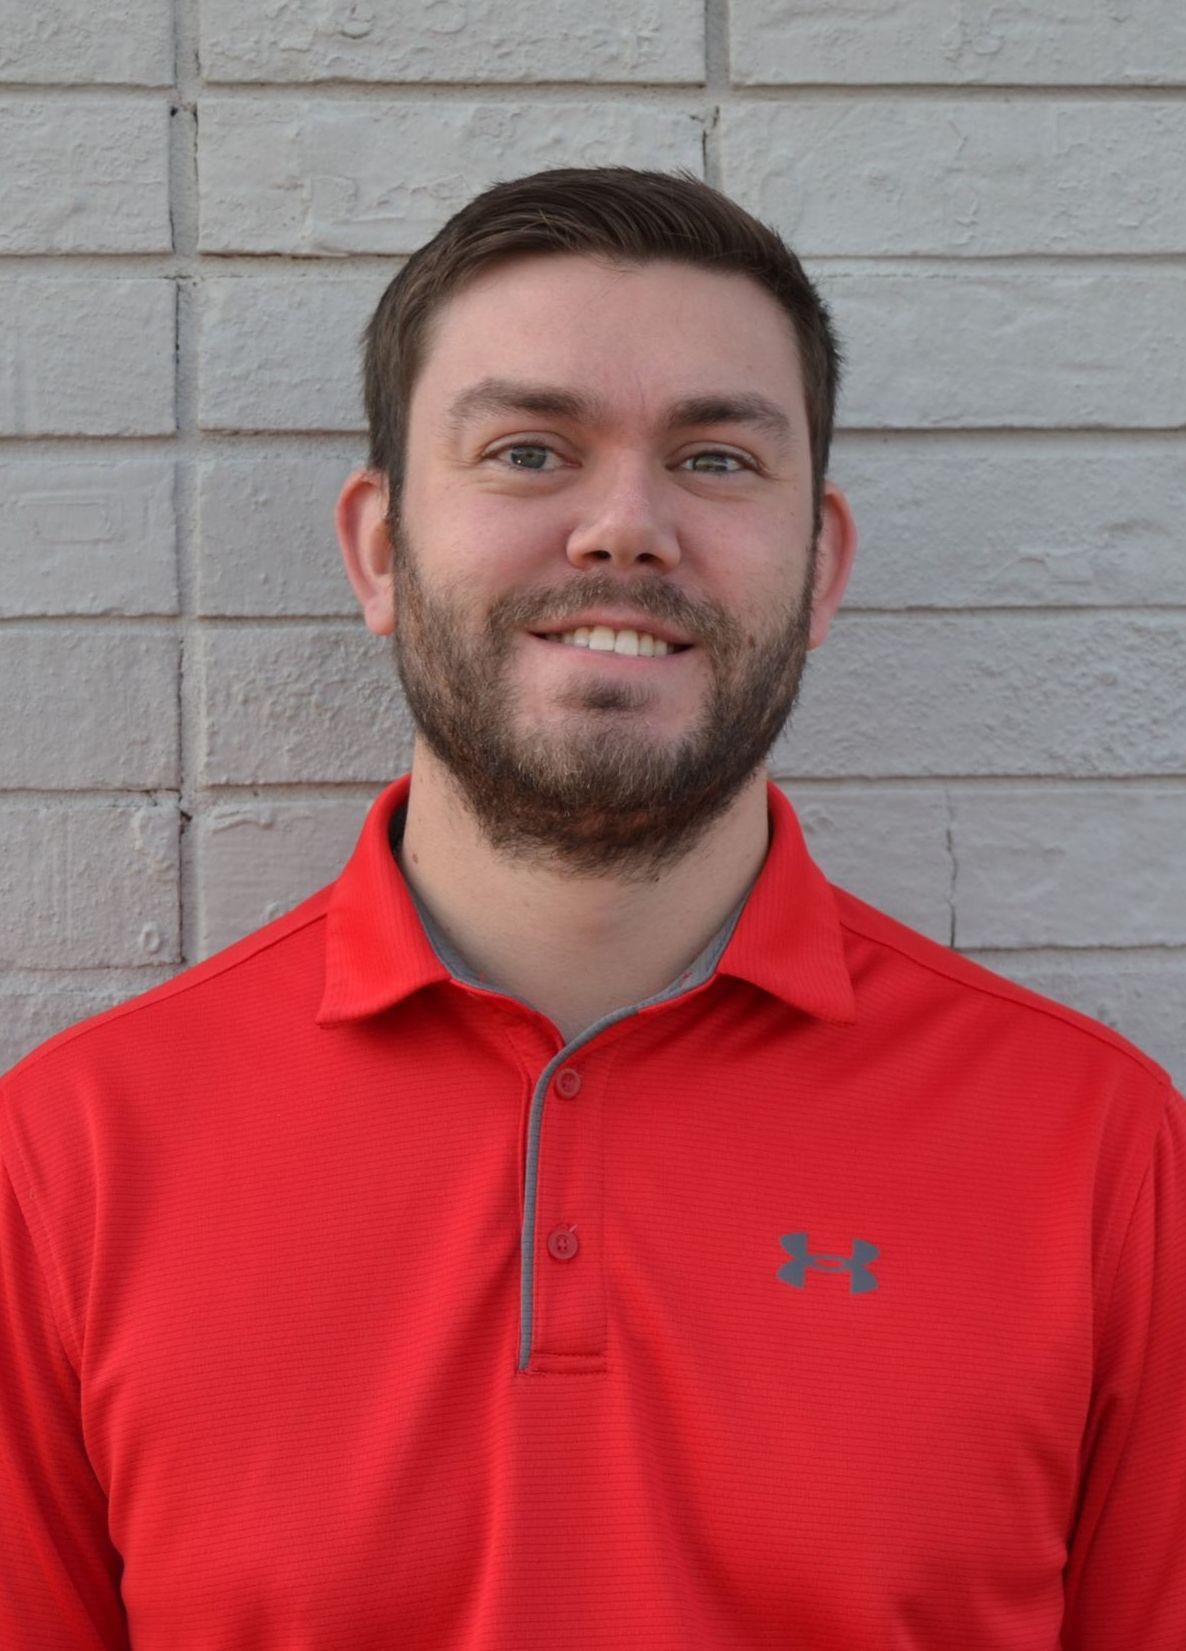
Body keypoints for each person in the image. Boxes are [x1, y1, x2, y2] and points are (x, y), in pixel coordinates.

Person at [1, 167, 1182, 1651]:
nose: (623, 528)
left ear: (818, 566)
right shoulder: (73, 1162)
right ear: (377, 550)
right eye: (526, 450)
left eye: (713, 461)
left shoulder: (1091, 1150)